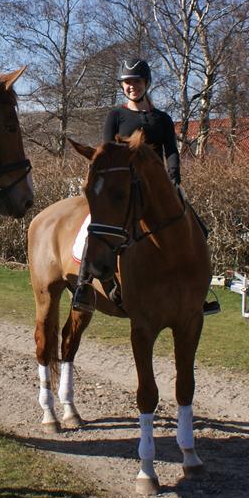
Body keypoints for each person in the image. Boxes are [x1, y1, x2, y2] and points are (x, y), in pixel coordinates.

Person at [71, 58, 217, 315]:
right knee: (91, 228)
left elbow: (171, 152)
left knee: (197, 228)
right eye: (127, 83)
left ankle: (199, 290)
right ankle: (84, 284)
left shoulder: (162, 119)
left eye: (136, 82)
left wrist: (174, 179)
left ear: (146, 83)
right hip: (122, 189)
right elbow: (106, 152)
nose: (131, 87)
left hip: (158, 188)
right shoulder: (116, 115)